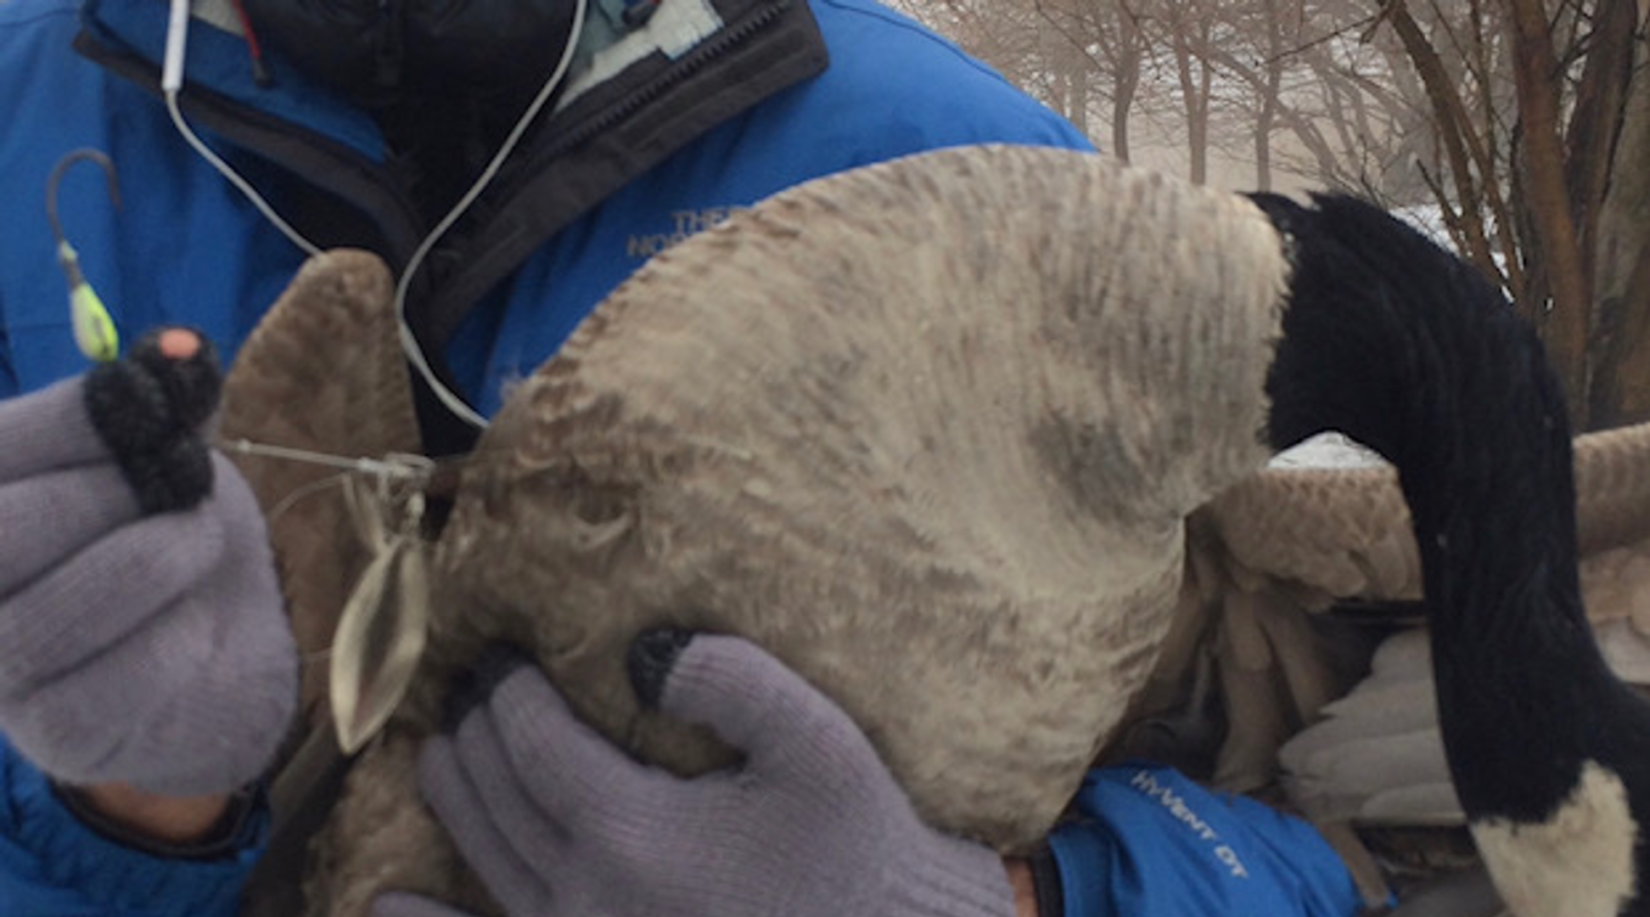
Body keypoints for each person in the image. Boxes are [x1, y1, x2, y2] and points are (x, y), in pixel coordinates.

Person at [0, 1, 1368, 915]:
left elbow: (1317, 805)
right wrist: (126, 816)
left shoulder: (952, 156)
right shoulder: (20, 128)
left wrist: (1003, 902)